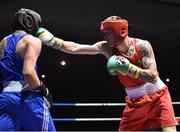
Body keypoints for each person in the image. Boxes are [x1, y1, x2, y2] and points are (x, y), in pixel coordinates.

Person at [36, 15, 178, 131]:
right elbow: (75, 48)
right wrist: (53, 41)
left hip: (158, 95)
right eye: (103, 34)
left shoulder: (142, 46)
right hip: (134, 101)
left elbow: (153, 77)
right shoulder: (106, 48)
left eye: (107, 33)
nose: (105, 37)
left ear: (120, 30)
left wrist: (128, 69)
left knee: (169, 130)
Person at [0, 8, 55, 131]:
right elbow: (28, 72)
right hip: (29, 98)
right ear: (31, 22)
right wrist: (44, 91)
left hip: (6, 98)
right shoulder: (32, 40)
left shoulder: (3, 42)